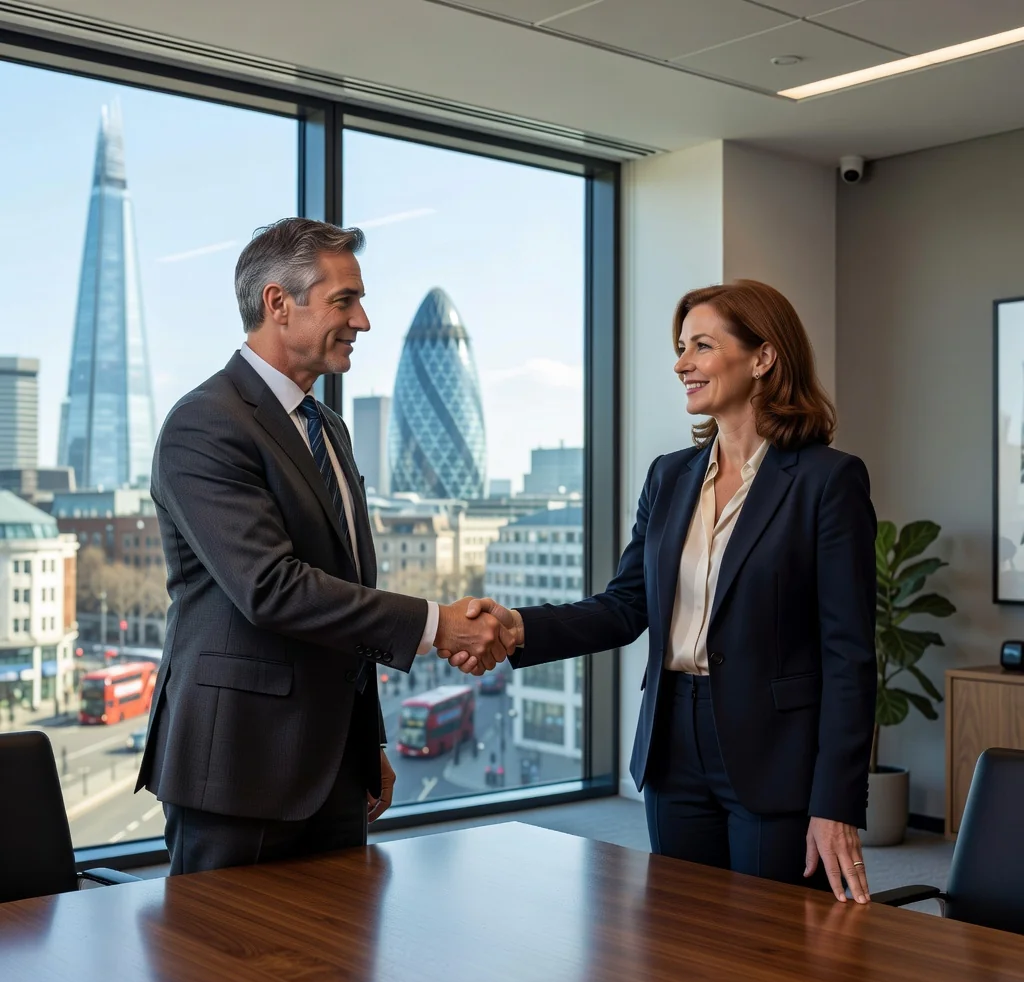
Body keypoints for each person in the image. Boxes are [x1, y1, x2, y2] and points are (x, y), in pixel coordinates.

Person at [445, 280, 876, 904]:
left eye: (702, 346)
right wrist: (516, 627)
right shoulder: (669, 476)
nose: (681, 365)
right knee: (681, 930)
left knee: (768, 942)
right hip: (673, 738)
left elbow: (848, 656)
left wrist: (836, 801)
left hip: (776, 750)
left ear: (763, 357)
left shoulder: (827, 481)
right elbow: (625, 605)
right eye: (680, 348)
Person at [136, 217, 514, 874]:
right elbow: (271, 588)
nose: (362, 321)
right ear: (277, 303)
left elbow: (349, 590)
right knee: (225, 946)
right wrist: (437, 624)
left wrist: (369, 743)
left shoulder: (328, 428)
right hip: (240, 771)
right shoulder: (205, 423)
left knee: (340, 942)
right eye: (345, 300)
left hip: (336, 770)